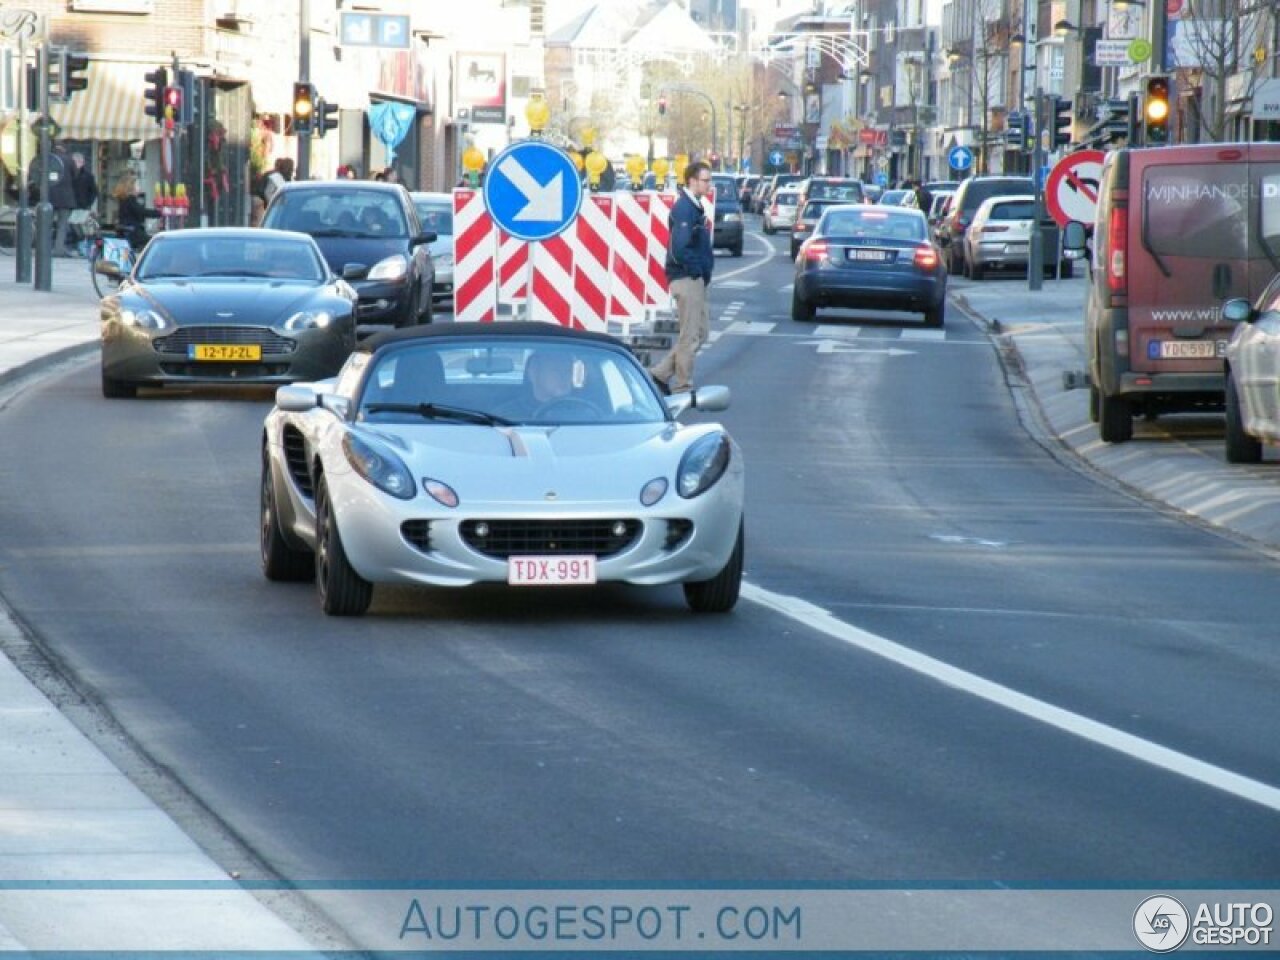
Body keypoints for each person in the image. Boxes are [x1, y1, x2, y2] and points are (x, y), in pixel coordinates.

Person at [649, 160, 714, 394]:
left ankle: (659, 374)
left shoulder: (694, 207)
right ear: (692, 181)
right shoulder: (684, 209)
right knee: (690, 336)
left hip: (694, 278)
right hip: (687, 278)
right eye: (706, 180)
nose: (709, 184)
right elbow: (679, 248)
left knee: (700, 333)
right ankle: (683, 386)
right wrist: (697, 270)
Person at [48, 145, 78, 257]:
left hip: (49, 196)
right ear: (64, 149)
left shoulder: (48, 159)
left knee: (46, 224)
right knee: (62, 225)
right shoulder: (69, 159)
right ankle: (58, 248)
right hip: (65, 197)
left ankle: (45, 247)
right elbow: (76, 175)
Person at [112, 173, 155, 252]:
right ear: (131, 187)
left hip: (125, 232)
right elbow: (141, 212)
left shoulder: (123, 199)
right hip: (133, 233)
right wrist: (158, 213)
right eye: (138, 185)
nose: (139, 187)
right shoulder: (130, 199)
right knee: (154, 242)